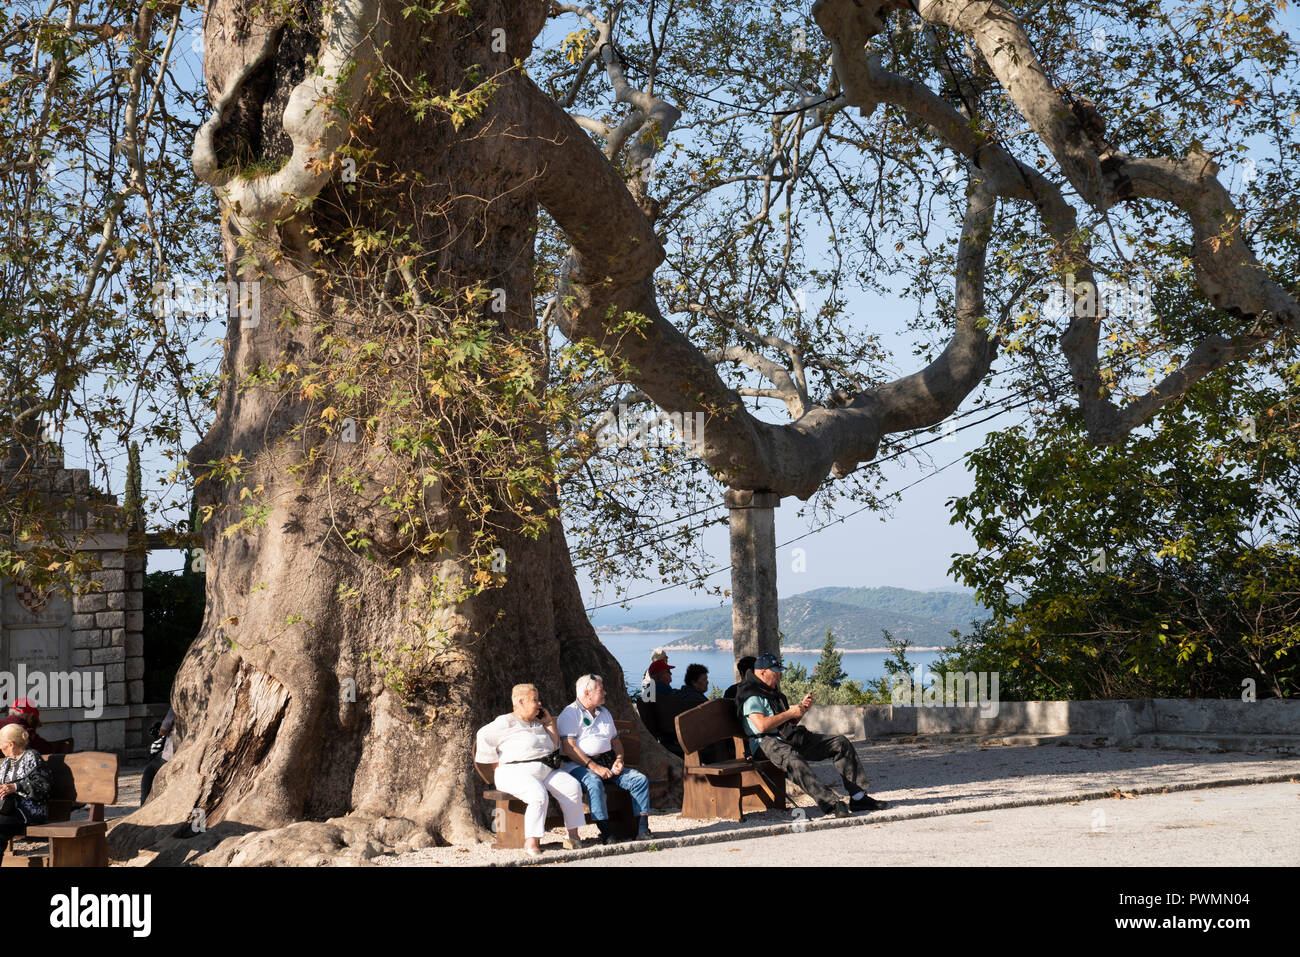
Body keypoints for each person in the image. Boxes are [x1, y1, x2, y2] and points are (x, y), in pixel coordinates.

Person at [735, 653, 888, 818]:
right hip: (765, 742)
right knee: (794, 759)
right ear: (763, 672)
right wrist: (789, 713)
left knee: (840, 743)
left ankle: (858, 798)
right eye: (776, 673)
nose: (779, 677)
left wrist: (801, 710)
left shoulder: (769, 690)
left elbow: (787, 724)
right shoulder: (751, 693)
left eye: (780, 672)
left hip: (787, 737)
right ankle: (831, 803)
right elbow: (762, 725)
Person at [475, 683, 586, 857]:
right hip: (514, 771)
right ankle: (532, 841)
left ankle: (573, 836)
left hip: (545, 769)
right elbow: (483, 736)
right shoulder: (506, 722)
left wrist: (549, 723)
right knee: (538, 795)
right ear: (521, 702)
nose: (539, 703)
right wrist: (495, 767)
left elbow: (554, 746)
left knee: (572, 787)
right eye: (535, 700)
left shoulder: (538, 722)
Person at [559, 675, 652, 844]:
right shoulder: (571, 713)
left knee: (639, 780)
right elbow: (569, 748)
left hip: (606, 763)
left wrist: (619, 759)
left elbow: (615, 741)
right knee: (594, 782)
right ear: (587, 693)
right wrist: (594, 767)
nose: (605, 693)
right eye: (601, 690)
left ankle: (642, 829)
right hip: (577, 765)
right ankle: (606, 833)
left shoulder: (604, 712)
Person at [0, 723, 51, 863]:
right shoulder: (6, 762)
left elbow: (43, 787)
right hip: (8, 809)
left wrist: (16, 787)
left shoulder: (32, 757)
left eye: (1, 744)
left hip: (29, 810)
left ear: (11, 744)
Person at [140, 707, 176, 804]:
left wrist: (160, 733)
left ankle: (143, 805)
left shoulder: (179, 703)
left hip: (172, 753)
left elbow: (164, 728)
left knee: (149, 771)